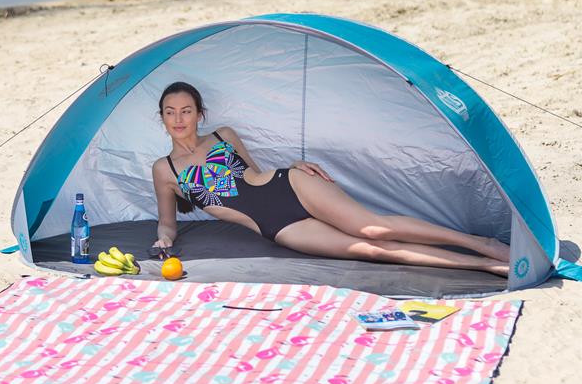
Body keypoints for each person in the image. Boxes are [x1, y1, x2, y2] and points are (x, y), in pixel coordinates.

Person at [152, 82, 510, 276]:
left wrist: (293, 165)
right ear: (162, 118)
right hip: (277, 227)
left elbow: (254, 174)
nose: (179, 119)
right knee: (372, 250)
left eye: (186, 111)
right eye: (171, 112)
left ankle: (481, 244)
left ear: (200, 114)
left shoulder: (224, 135)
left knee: (375, 228)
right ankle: (484, 264)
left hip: (289, 186)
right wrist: (164, 240)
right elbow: (167, 223)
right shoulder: (164, 169)